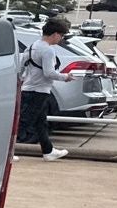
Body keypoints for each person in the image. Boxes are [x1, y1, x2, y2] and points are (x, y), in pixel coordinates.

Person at [18, 17, 75, 161]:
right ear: (55, 34)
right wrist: (65, 77)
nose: (61, 39)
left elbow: (21, 69)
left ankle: (48, 151)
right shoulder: (48, 51)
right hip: (39, 91)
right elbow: (49, 73)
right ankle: (8, 152)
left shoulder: (31, 47)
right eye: (61, 36)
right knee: (24, 122)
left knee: (40, 122)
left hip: (29, 88)